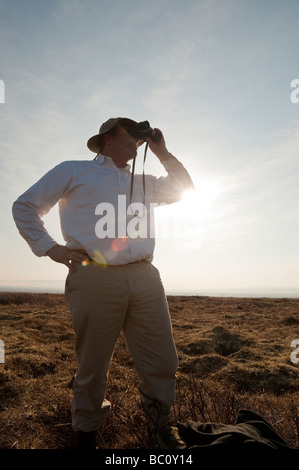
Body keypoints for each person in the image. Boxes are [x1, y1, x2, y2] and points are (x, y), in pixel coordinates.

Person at [12, 117, 194, 449]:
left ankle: (160, 428)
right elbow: (24, 206)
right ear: (108, 138)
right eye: (129, 135)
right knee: (93, 364)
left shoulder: (144, 181)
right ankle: (86, 434)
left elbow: (185, 188)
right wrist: (51, 248)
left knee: (163, 360)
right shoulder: (74, 170)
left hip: (145, 277)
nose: (135, 142)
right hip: (94, 276)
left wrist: (162, 151)